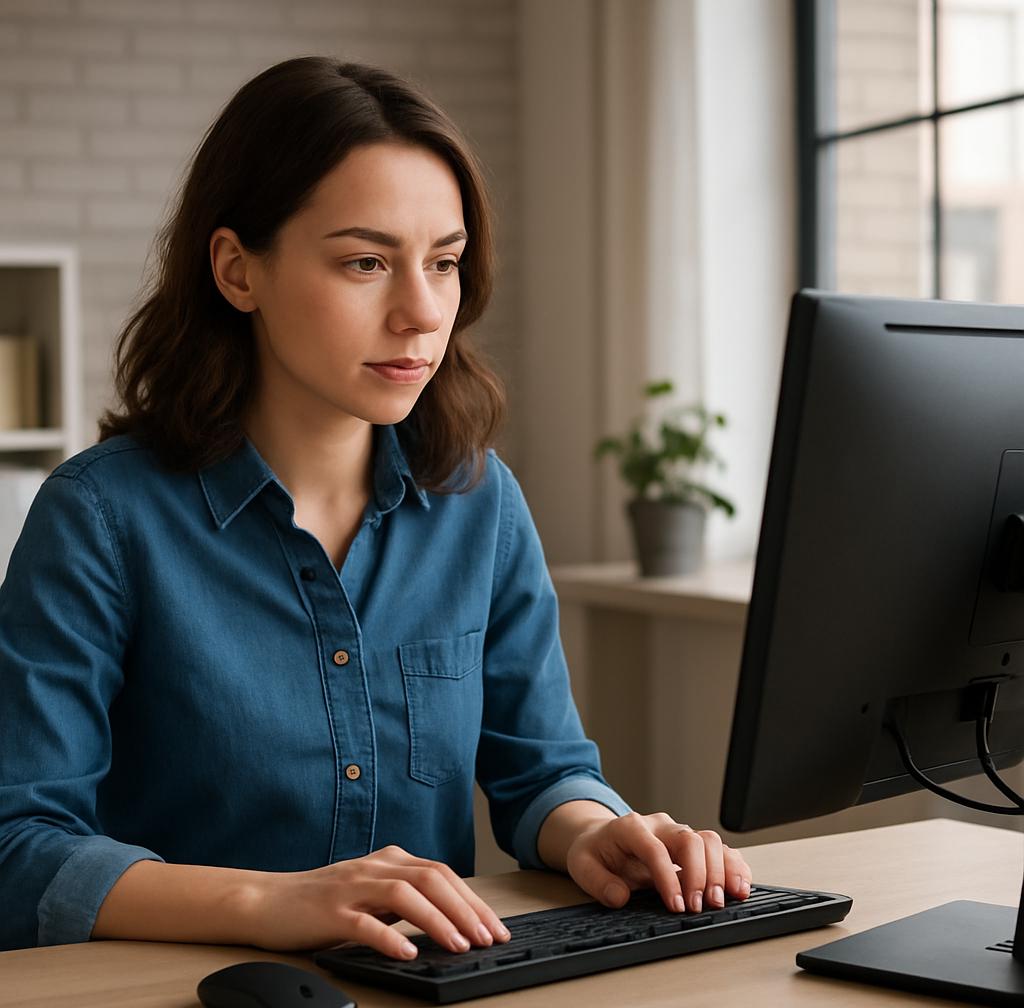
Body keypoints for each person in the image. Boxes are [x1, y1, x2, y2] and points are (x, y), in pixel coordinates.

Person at [0, 57, 751, 957]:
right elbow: (19, 850)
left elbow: (541, 770)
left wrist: (595, 830)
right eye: (366, 262)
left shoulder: (481, 501)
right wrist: (268, 904)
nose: (423, 312)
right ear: (238, 271)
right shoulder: (100, 519)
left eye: (444, 262)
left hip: (431, 990)